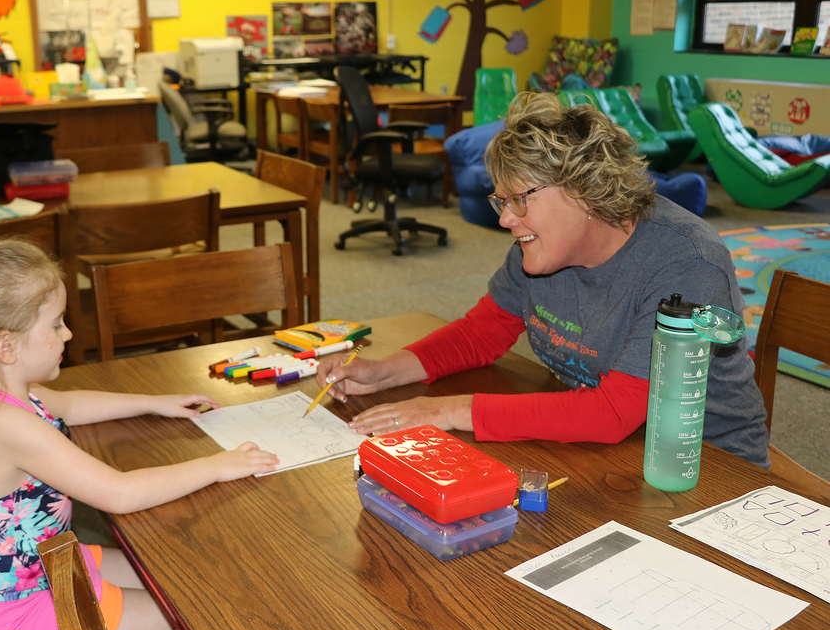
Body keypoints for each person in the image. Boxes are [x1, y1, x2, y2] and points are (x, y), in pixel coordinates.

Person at [317, 93, 770, 468]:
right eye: (501, 201)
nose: (506, 219)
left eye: (519, 199)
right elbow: (480, 334)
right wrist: (382, 372)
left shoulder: (687, 263)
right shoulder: (537, 250)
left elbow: (613, 412)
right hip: (610, 454)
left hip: (707, 467)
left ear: (585, 190)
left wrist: (450, 409)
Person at [0, 237, 279, 630]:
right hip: (17, 609)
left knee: (175, 570)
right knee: (195, 609)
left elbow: (71, 404)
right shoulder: (6, 423)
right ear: (6, 346)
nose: (69, 334)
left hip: (41, 565)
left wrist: (153, 403)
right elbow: (120, 493)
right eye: (56, 324)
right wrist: (218, 465)